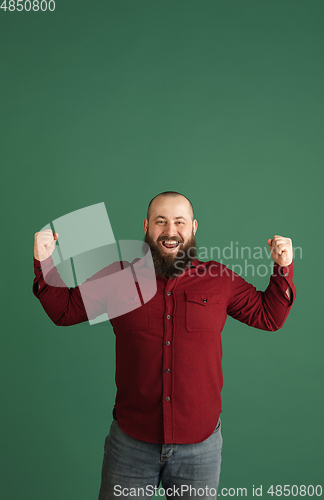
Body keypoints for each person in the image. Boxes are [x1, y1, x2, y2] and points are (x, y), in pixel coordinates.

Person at [32, 191, 296, 499]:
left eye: (179, 222)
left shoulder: (219, 278)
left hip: (200, 450)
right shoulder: (118, 276)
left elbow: (269, 316)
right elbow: (64, 310)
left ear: (193, 228)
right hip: (130, 445)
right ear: (146, 226)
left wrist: (283, 267)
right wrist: (44, 260)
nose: (170, 231)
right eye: (161, 221)